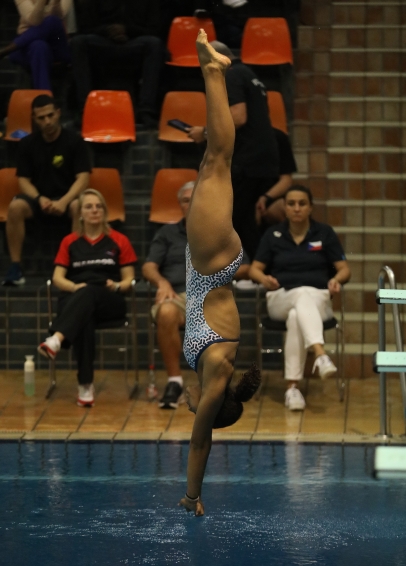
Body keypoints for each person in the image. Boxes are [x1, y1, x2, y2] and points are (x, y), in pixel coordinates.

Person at [177, 31, 261, 517]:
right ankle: (214, 71)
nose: (192, 410)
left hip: (205, 265)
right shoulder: (215, 379)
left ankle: (214, 72)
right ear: (215, 406)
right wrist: (192, 495)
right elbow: (200, 442)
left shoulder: (212, 369)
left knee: (214, 163)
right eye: (201, 411)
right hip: (211, 267)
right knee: (216, 162)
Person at [142, 181, 251, 410]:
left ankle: (216, 387)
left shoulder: (222, 231)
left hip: (211, 296)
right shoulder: (167, 233)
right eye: (185, 200)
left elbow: (245, 268)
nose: (191, 204)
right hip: (178, 296)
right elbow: (149, 266)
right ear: (180, 205)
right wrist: (162, 282)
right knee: (166, 311)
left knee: (220, 314)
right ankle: (174, 382)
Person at [249, 185, 351, 411]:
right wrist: (264, 279)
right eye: (291, 204)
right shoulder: (273, 234)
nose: (296, 208)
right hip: (281, 297)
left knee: (297, 315)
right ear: (284, 208)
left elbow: (344, 269)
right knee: (300, 294)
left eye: (302, 204)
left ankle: (292, 389)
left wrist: (337, 280)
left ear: (310, 207)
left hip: (318, 299)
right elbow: (254, 269)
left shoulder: (324, 233)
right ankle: (320, 353)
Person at [37, 188, 137, 407]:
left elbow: (129, 279)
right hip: (76, 296)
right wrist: (75, 287)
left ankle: (56, 339)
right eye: (89, 207)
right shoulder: (69, 241)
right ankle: (85, 386)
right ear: (80, 213)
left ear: (105, 211)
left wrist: (117, 285)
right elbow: (57, 278)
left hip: (109, 299)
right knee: (85, 314)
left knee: (90, 293)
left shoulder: (119, 240)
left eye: (99, 206)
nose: (94, 210)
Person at [187, 40, 280, 261]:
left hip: (247, 160)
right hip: (264, 158)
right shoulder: (248, 74)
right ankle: (262, 267)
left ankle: (261, 268)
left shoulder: (230, 75)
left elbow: (238, 116)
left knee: (236, 219)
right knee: (247, 218)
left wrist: (205, 133)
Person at [2, 94, 91, 286]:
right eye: (41, 118)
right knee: (15, 207)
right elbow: (23, 181)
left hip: (67, 198)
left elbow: (83, 178)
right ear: (34, 119)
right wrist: (39, 198)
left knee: (79, 206)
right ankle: (15, 267)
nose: (47, 121)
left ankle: (75, 265)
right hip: (38, 199)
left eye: (50, 115)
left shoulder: (74, 141)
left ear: (58, 113)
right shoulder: (27, 144)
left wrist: (64, 201)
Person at [70, 0, 165, 129]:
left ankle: (146, 110)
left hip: (134, 41)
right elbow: (85, 27)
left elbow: (155, 29)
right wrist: (108, 31)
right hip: (104, 40)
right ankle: (86, 109)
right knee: (78, 42)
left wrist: (127, 30)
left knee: (155, 44)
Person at [0, 0, 72, 90]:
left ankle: (9, 48)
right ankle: (44, 97)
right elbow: (34, 21)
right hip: (29, 44)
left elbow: (58, 16)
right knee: (39, 46)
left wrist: (55, 1)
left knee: (53, 20)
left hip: (56, 42)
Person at [255, 127, 297, 228]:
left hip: (269, 197)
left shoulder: (277, 137)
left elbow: (286, 180)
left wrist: (265, 198)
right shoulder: (226, 138)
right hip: (238, 196)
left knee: (285, 208)